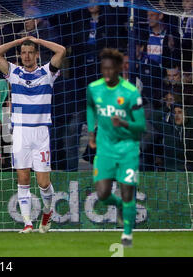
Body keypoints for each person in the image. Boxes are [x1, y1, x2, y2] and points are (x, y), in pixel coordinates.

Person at [0, 36, 66, 233]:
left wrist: (36, 40)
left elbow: (61, 51)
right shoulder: (14, 72)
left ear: (36, 54)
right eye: (23, 52)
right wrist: (19, 41)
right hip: (20, 132)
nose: (26, 56)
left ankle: (47, 214)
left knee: (43, 183)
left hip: (41, 133)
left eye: (30, 52)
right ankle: (27, 223)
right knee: (23, 179)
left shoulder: (47, 72)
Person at [87, 48, 146, 248]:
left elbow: (141, 126)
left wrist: (123, 123)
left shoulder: (130, 93)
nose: (107, 73)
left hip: (127, 149)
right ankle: (119, 205)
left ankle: (127, 235)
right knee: (102, 194)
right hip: (105, 150)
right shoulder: (94, 88)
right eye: (104, 69)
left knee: (128, 192)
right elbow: (89, 107)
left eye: (111, 69)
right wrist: (91, 133)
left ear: (119, 69)